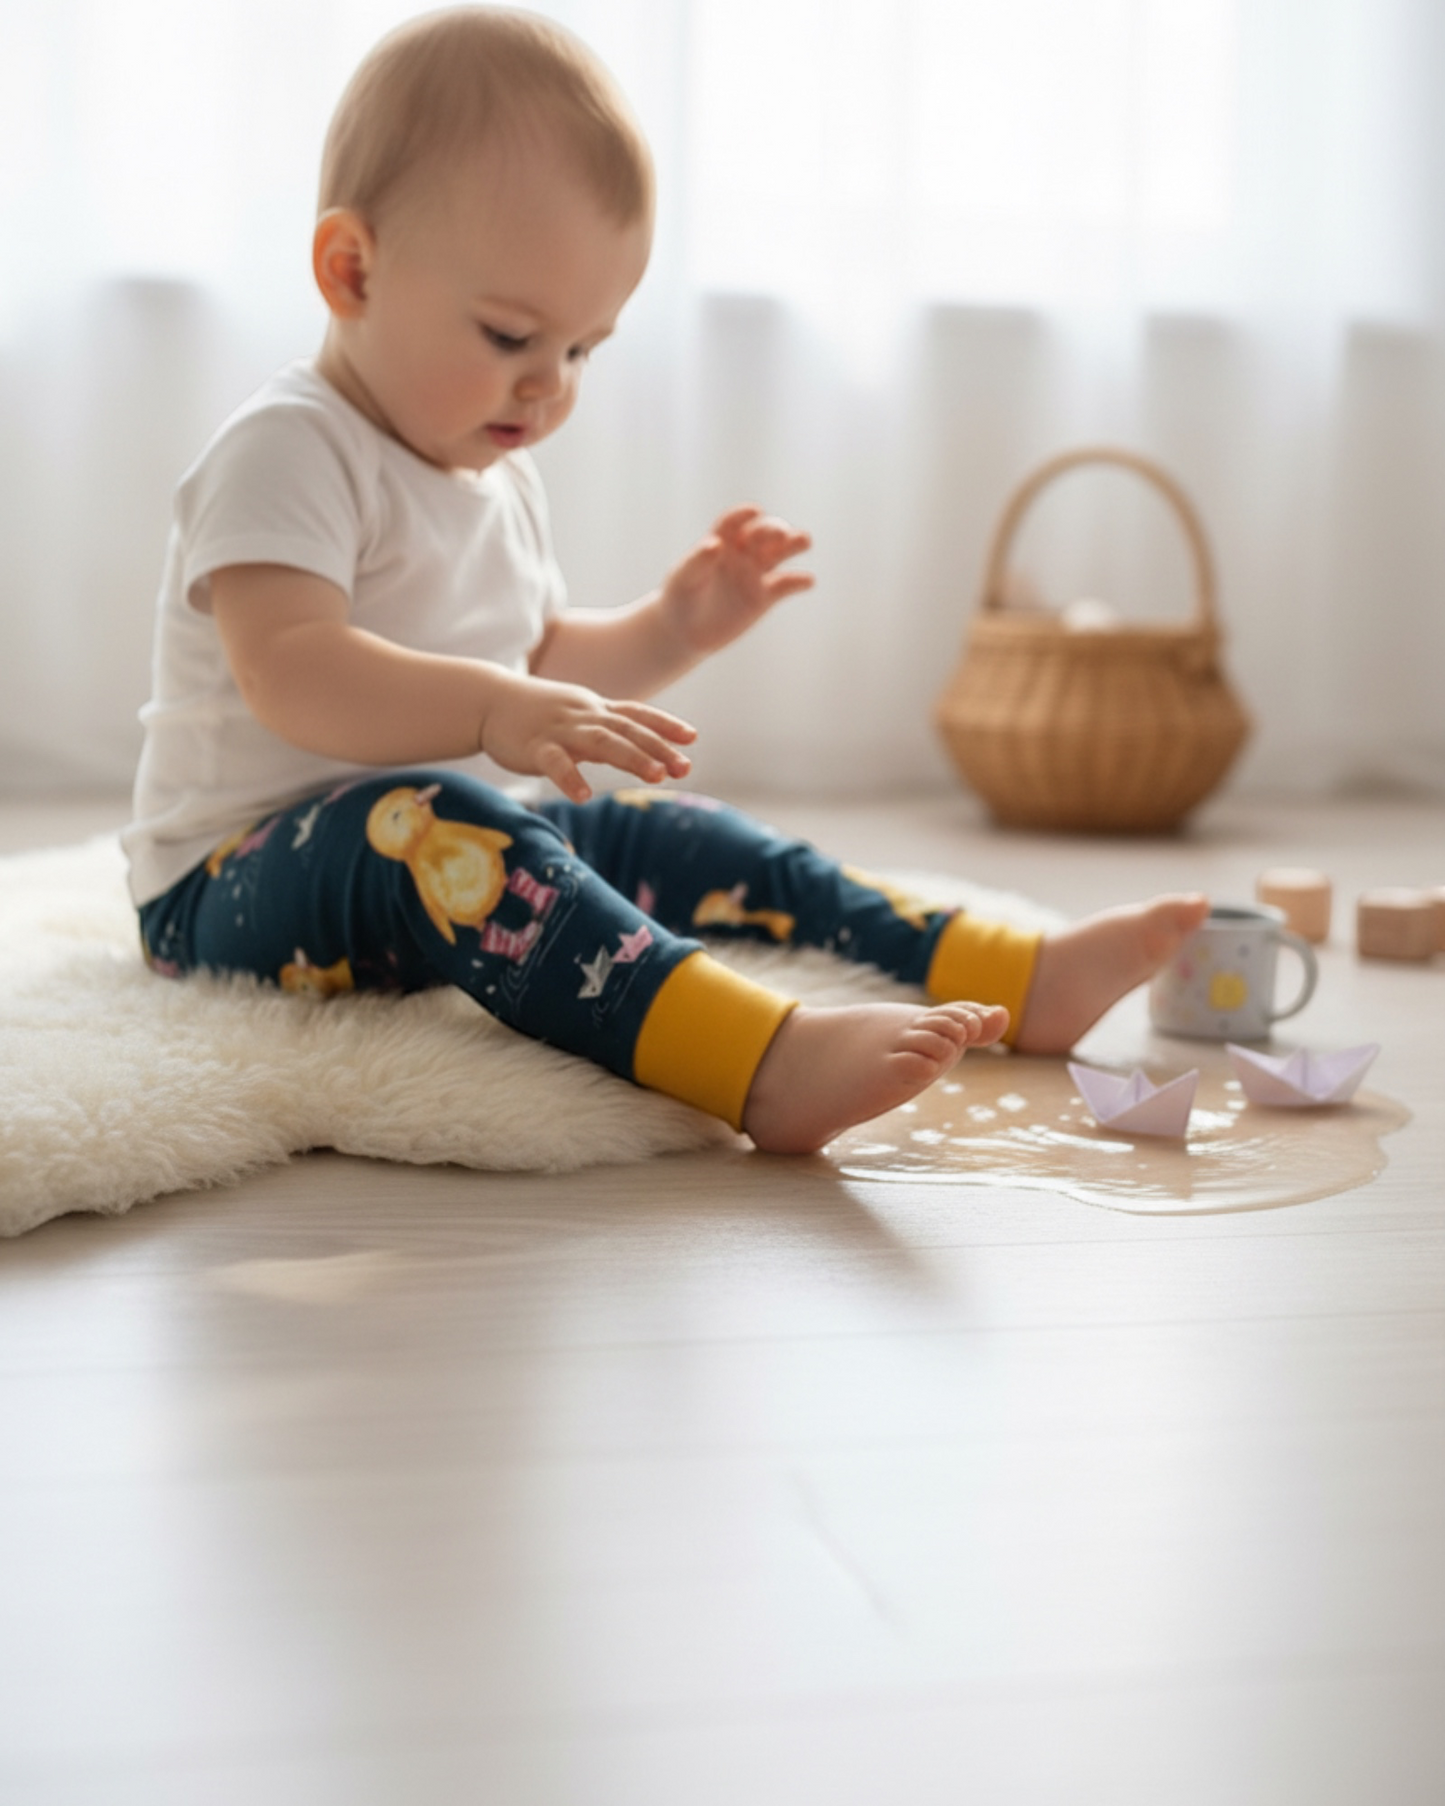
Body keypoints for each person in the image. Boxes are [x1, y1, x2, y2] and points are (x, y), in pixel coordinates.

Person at [123, 5, 1208, 1156]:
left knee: (662, 832)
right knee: (437, 825)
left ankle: (1007, 971)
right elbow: (294, 672)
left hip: (427, 847)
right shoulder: (288, 447)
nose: (547, 387)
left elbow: (537, 667)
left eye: (582, 349)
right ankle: (757, 1058)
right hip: (226, 895)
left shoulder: (490, 469)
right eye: (507, 335)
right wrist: (491, 712)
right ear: (351, 270)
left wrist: (672, 624)